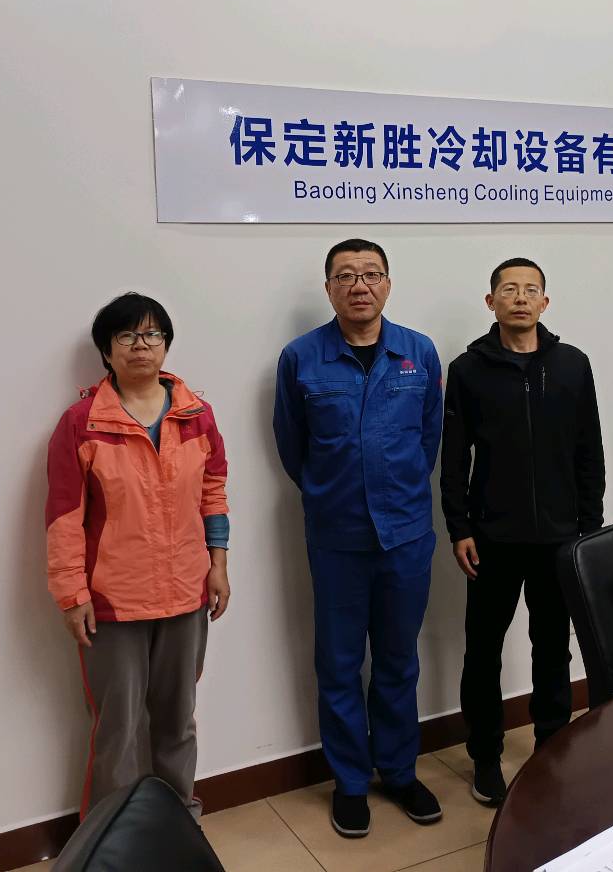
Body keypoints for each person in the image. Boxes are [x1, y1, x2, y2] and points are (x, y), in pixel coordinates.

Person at [272, 239, 444, 839]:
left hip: (406, 535)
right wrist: (332, 492)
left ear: (388, 284)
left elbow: (429, 438)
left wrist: (396, 491)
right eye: (345, 276)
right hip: (337, 535)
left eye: (371, 274)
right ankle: (349, 781)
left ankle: (398, 772)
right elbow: (292, 445)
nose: (359, 285)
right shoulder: (301, 358)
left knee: (398, 660)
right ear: (329, 289)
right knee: (340, 663)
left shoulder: (419, 353)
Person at [44, 292, 231, 820]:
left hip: (187, 593)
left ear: (166, 344)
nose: (140, 345)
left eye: (152, 334)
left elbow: (213, 492)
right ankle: (112, 838)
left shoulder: (197, 416)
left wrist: (218, 564)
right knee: (118, 730)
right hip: (113, 602)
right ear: (107, 351)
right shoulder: (81, 423)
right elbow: (63, 517)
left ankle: (178, 822)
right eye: (126, 335)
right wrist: (71, 593)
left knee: (177, 721)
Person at [440, 257, 605, 807]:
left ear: (544, 302)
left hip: (561, 538)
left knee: (552, 649)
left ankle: (551, 750)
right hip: (492, 538)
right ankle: (485, 756)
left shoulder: (572, 365)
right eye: (508, 289)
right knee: (483, 651)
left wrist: (589, 529)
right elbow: (453, 458)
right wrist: (459, 526)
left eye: (530, 290)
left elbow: (589, 452)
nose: (520, 298)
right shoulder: (468, 370)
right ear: (491, 302)